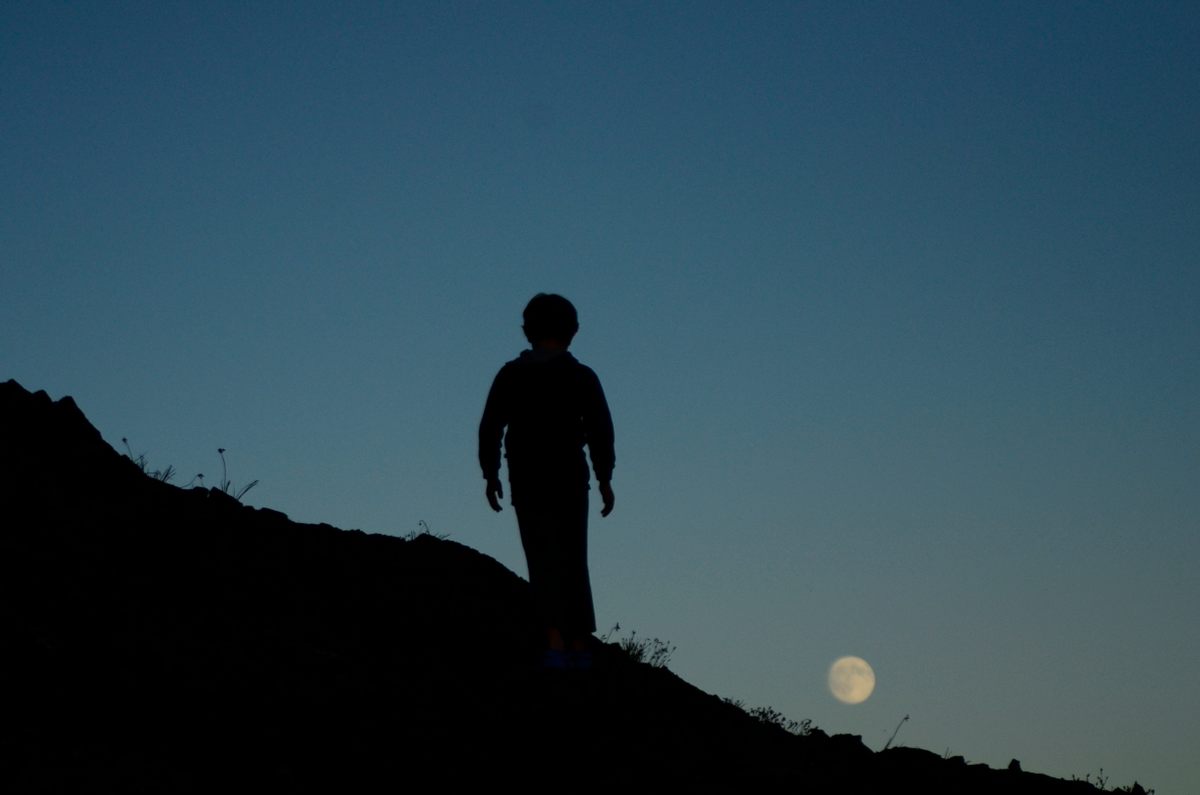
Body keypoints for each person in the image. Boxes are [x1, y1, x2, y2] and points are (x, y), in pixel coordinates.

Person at [478, 293, 615, 669]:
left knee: (541, 555)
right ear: (573, 331)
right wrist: (605, 477)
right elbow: (601, 430)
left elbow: (490, 427)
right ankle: (577, 640)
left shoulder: (511, 375)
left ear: (526, 331)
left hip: (527, 477)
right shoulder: (582, 377)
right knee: (573, 556)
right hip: (570, 477)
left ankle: (554, 638)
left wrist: (490, 473)